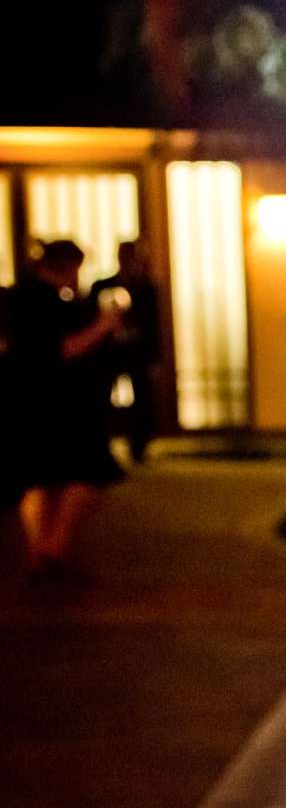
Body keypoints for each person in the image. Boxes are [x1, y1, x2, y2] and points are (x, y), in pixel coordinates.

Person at [8, 242, 127, 585]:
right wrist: (103, 326)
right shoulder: (42, 302)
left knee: (40, 479)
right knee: (82, 475)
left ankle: (42, 554)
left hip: (32, 403)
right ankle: (53, 550)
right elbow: (59, 350)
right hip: (59, 405)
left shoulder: (25, 298)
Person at [93, 238, 163, 464]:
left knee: (142, 399)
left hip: (138, 351)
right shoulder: (103, 286)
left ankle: (139, 447)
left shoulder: (146, 288)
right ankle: (102, 445)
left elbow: (155, 325)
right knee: (102, 398)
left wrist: (156, 358)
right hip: (107, 350)